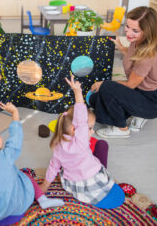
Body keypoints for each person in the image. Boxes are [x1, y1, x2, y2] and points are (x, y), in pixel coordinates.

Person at [0, 102, 64, 226]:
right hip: (16, 211)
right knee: (25, 176)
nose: (0, 137)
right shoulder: (5, 158)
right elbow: (15, 138)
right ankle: (43, 199)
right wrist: (15, 113)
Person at [40, 75, 116, 207]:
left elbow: (53, 166)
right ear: (76, 129)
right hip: (92, 181)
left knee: (90, 145)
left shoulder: (57, 145)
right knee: (102, 145)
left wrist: (45, 185)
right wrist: (78, 92)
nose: (92, 131)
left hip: (73, 184)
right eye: (90, 128)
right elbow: (80, 117)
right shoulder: (81, 142)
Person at [90, 6, 157, 138]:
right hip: (140, 91)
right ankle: (137, 114)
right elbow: (133, 54)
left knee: (107, 87)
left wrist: (103, 83)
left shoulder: (147, 56)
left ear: (147, 32)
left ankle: (122, 129)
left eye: (135, 30)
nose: (128, 33)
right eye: (127, 26)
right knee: (95, 100)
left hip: (151, 101)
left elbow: (130, 85)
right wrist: (121, 48)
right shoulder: (137, 42)